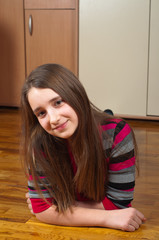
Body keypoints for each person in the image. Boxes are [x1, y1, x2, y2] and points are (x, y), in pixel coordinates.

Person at [21, 63, 146, 232]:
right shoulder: (39, 142)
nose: (53, 119)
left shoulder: (117, 133)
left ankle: (105, 115)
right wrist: (108, 217)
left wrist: (62, 205)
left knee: (102, 126)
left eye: (58, 102)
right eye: (41, 113)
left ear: (75, 94)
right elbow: (42, 209)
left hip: (99, 131)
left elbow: (119, 203)